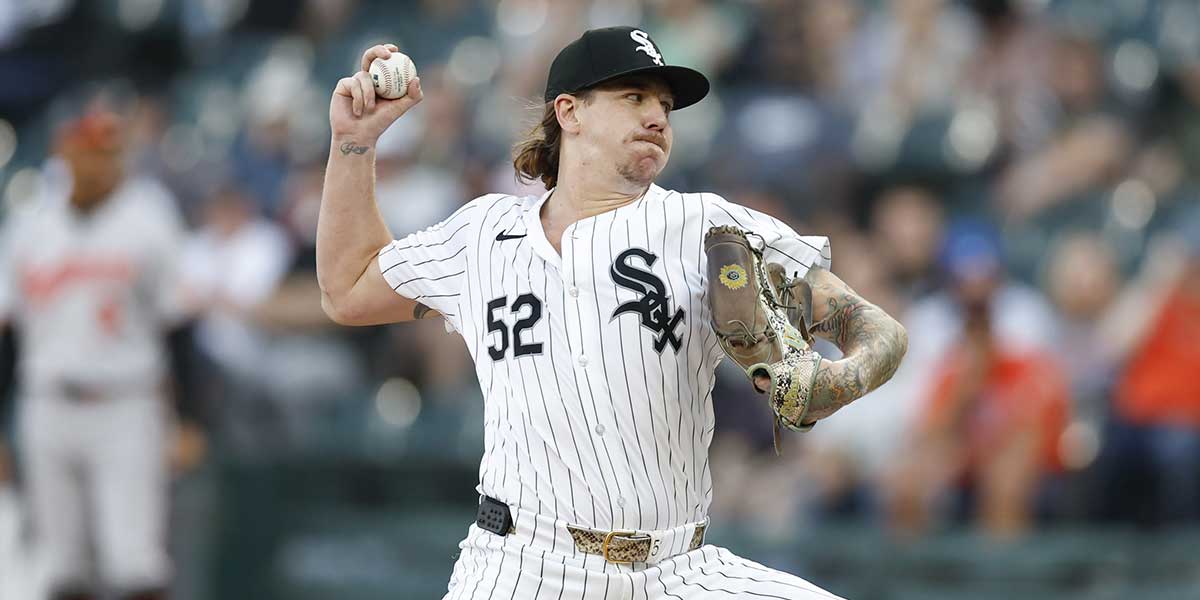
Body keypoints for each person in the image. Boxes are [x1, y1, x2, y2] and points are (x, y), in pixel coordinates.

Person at [317, 27, 906, 599]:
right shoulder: (481, 236)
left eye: (665, 106)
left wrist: (843, 377)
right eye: (634, 98)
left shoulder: (705, 226)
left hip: (676, 568)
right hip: (521, 566)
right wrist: (355, 141)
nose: (657, 117)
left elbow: (875, 327)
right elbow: (348, 289)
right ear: (570, 112)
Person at [0, 109, 190, 600]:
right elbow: (8, 330)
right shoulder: (31, 224)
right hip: (45, 401)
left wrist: (188, 416)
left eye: (105, 151)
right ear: (65, 155)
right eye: (85, 151)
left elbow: (179, 324)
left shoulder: (149, 217)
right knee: (59, 567)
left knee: (135, 564)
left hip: (125, 402)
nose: (94, 163)